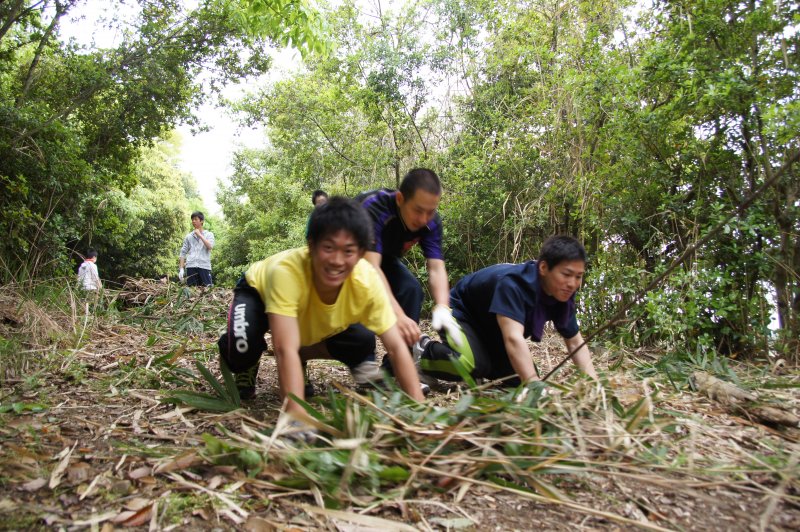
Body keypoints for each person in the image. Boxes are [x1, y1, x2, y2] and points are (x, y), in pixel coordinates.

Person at [217, 197, 425, 424]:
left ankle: (303, 356)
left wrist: (420, 410)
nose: (337, 261)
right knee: (241, 346)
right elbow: (284, 348)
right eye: (328, 247)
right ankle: (248, 359)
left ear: (361, 253)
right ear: (311, 244)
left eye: (348, 251)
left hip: (301, 314)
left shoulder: (367, 281)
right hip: (256, 291)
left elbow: (396, 346)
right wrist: (296, 416)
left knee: (361, 338)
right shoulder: (286, 273)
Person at [414, 235, 599, 386]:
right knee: (470, 364)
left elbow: (575, 342)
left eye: (578, 276)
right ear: (543, 267)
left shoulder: (563, 296)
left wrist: (593, 386)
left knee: (517, 380)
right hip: (461, 311)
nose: (572, 283)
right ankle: (422, 354)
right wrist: (534, 384)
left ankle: (478, 366)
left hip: (492, 329)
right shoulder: (514, 285)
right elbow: (513, 338)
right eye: (566, 274)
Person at [356, 168, 463, 377]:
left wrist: (443, 307)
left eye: (431, 211)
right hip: (350, 258)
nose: (424, 219)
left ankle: (393, 368)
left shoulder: (431, 221)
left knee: (411, 289)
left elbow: (436, 266)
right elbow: (370, 269)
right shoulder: (374, 207)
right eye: (418, 210)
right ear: (400, 199)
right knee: (363, 301)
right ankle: (363, 365)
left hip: (383, 258)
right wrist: (398, 316)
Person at [179, 211, 215, 286]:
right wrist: (181, 269)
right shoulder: (188, 236)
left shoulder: (209, 234)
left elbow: (210, 246)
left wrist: (200, 235)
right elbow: (183, 253)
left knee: (207, 291)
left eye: (195, 219)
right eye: (192, 219)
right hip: (191, 267)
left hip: (204, 267)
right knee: (192, 293)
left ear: (201, 221)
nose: (193, 221)